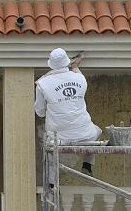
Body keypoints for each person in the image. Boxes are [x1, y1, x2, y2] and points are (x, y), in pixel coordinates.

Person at [34, 48, 102, 176]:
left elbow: (40, 112)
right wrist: (75, 66)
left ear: (51, 65)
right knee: (98, 131)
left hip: (59, 139)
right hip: (86, 135)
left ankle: (52, 182)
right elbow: (77, 74)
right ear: (67, 62)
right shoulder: (80, 79)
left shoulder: (42, 84)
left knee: (49, 149)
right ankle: (87, 165)